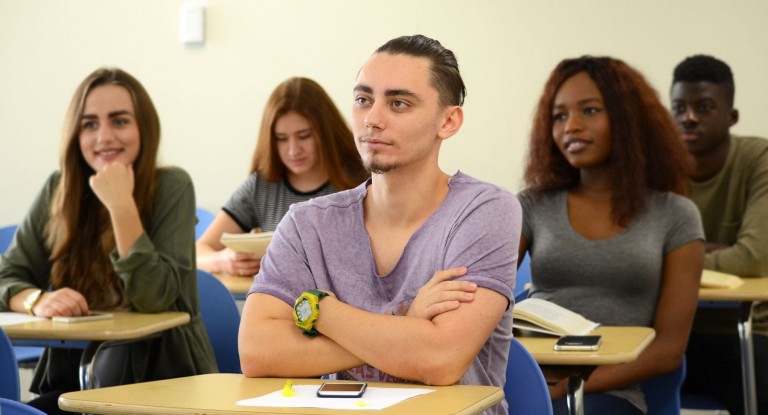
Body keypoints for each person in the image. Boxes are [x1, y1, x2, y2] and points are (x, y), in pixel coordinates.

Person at [238, 35, 521, 415]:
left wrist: (320, 310)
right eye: (363, 100)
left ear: (448, 121)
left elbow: (439, 360)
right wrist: (405, 323)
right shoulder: (307, 223)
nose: (372, 119)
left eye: (399, 103)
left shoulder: (485, 210)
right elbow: (257, 351)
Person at [0, 68, 216, 414]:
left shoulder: (172, 185)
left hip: (163, 385)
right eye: (89, 124)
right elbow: (6, 275)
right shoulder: (59, 188)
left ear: (144, 127)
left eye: (119, 121)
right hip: (73, 384)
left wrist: (120, 205)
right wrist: (36, 300)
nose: (104, 136)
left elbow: (154, 296)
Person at [518, 56, 705, 414]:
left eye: (589, 111)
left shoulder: (675, 215)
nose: (571, 126)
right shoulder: (531, 205)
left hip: (611, 393)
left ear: (628, 118)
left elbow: (668, 350)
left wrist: (569, 388)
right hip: (529, 380)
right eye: (559, 116)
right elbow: (480, 300)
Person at [670, 54, 768, 415]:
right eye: (679, 108)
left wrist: (677, 258)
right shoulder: (657, 168)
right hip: (671, 328)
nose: (689, 117)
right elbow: (635, 257)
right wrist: (714, 251)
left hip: (746, 331)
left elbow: (753, 258)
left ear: (732, 116)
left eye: (704, 108)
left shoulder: (758, 159)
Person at [196, 77, 366, 277]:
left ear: (326, 132)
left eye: (304, 136)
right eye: (281, 139)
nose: (293, 150)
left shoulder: (363, 182)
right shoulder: (261, 186)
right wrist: (222, 261)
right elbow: (198, 252)